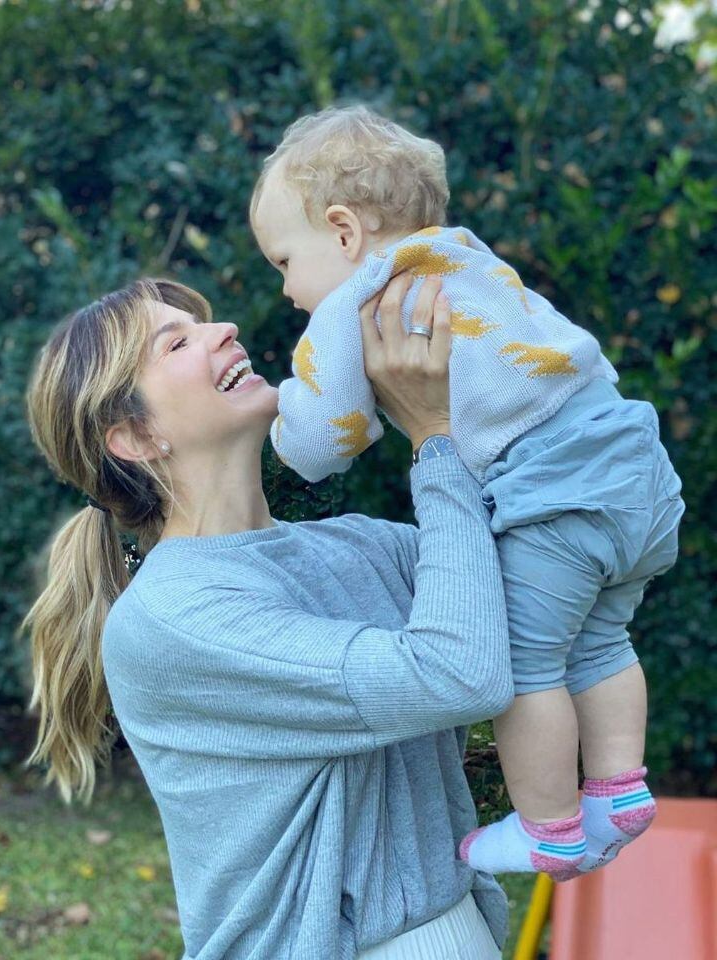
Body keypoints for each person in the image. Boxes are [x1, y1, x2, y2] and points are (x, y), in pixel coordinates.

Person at [22, 273, 515, 959]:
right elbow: (459, 675)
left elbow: (542, 579)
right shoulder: (172, 619)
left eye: (208, 322)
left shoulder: (363, 546)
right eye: (177, 343)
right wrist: (433, 436)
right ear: (135, 436)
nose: (223, 332)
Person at [250, 104, 686, 880]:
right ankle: (619, 789)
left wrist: (278, 425)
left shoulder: (359, 300)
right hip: (636, 473)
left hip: (558, 498)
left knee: (523, 667)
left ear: (344, 232)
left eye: (284, 262)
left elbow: (320, 444)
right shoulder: (467, 258)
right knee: (601, 640)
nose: (287, 290)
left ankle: (549, 828)